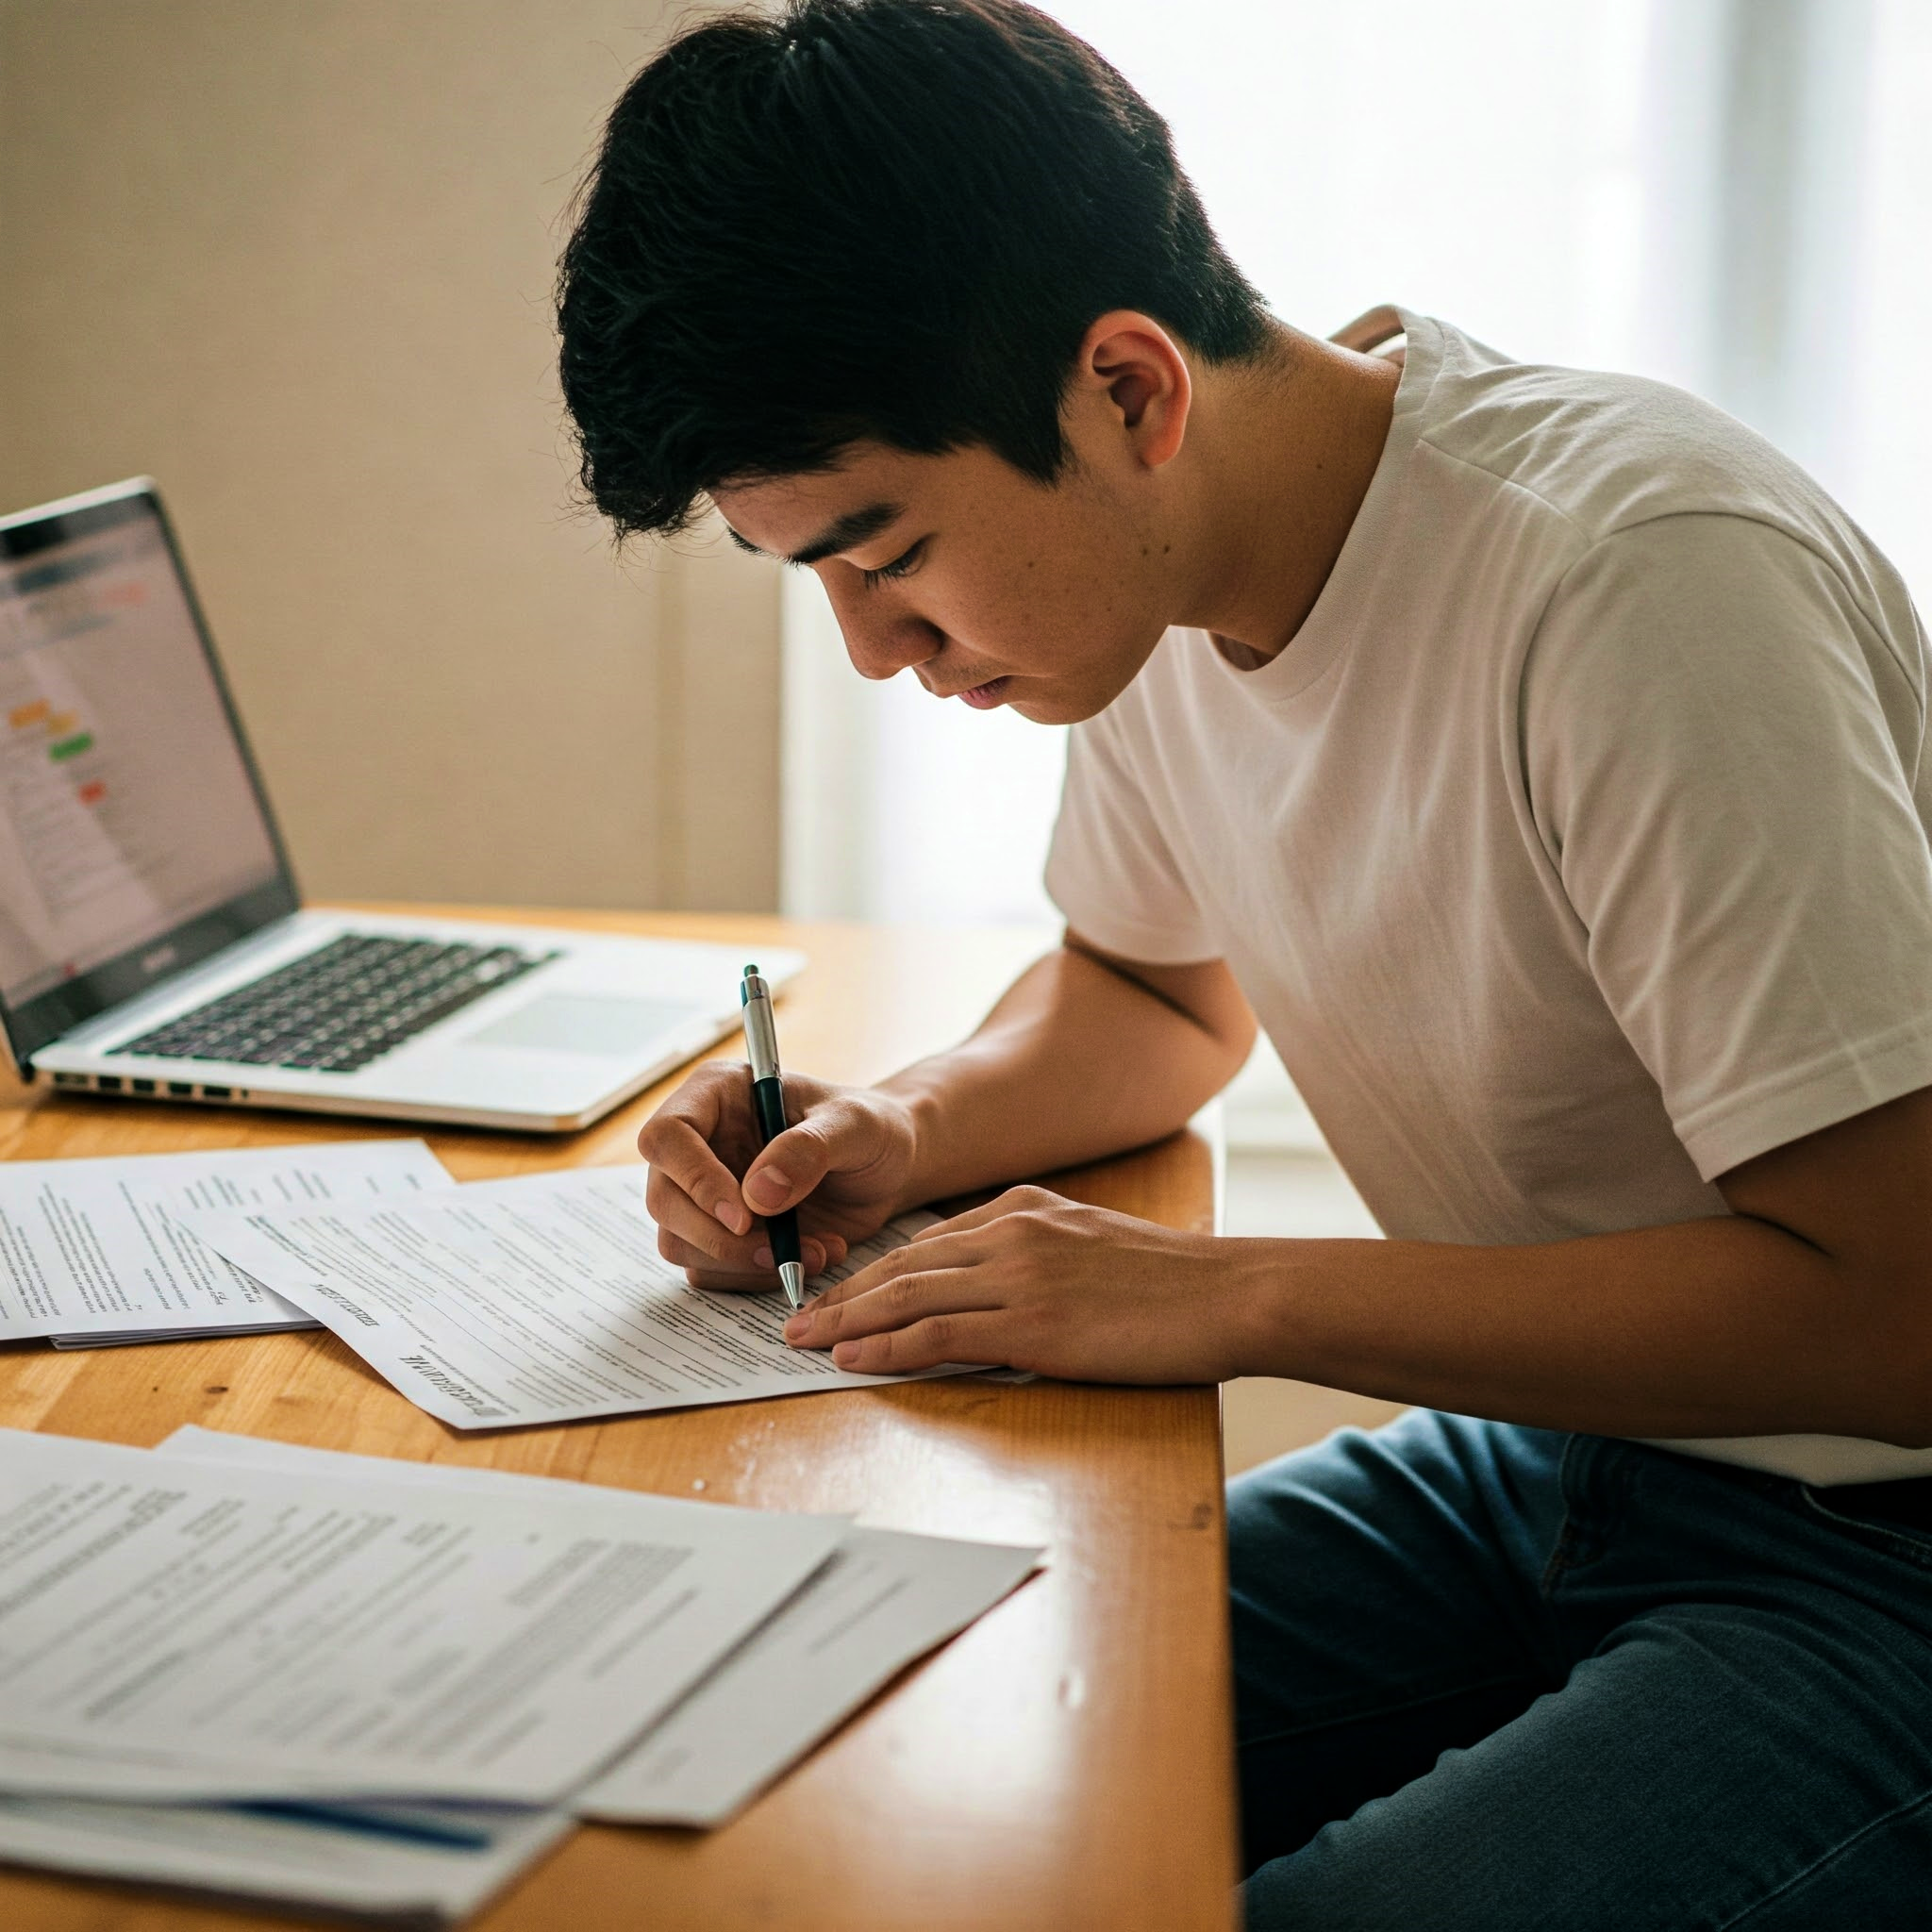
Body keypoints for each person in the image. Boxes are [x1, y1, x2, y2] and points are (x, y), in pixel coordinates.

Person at [554, 2, 1932, 1924]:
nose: (878, 649)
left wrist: (1231, 1293)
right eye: (819, 581)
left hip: (1883, 1542)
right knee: (870, 1776)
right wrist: (890, 1125)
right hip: (1557, 1465)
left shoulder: (1633, 580)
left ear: (1127, 390)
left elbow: (1893, 1312)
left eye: (887, 553)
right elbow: (1148, 995)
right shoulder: (1160, 583)